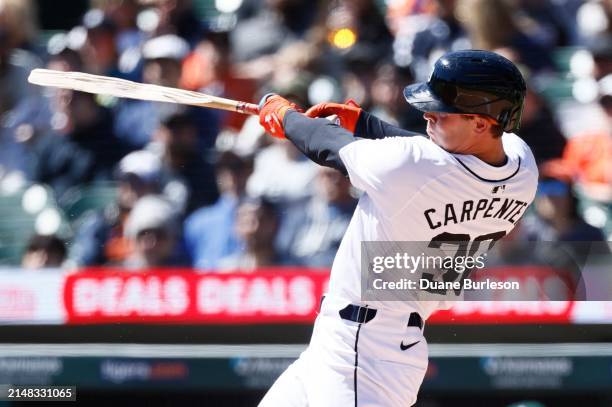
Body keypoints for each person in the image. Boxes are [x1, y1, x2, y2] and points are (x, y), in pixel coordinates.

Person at [256, 50, 538, 406]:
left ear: (481, 123)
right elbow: (438, 156)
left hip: (366, 351)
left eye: (441, 112)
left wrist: (282, 113)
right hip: (366, 340)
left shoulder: (412, 167)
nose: (427, 114)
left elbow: (328, 145)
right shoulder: (522, 166)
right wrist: (365, 123)